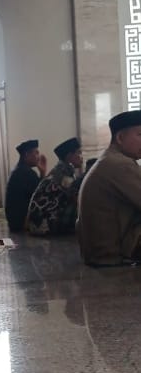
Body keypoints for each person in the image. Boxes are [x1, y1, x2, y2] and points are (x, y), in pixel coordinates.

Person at [78, 110, 141, 266]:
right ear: (120, 138)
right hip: (111, 253)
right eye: (140, 135)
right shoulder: (120, 164)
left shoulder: (110, 159)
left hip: (98, 252)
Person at [27, 137, 83, 235]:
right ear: (69, 156)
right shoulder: (62, 174)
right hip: (43, 225)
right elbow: (77, 198)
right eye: (78, 153)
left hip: (38, 224)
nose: (81, 157)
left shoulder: (62, 170)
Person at [4, 139, 47, 232]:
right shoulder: (25, 173)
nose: (38, 157)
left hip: (14, 222)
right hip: (21, 222)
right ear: (27, 154)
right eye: (36, 153)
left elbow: (38, 191)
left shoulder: (20, 170)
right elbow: (42, 196)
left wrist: (42, 172)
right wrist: (43, 173)